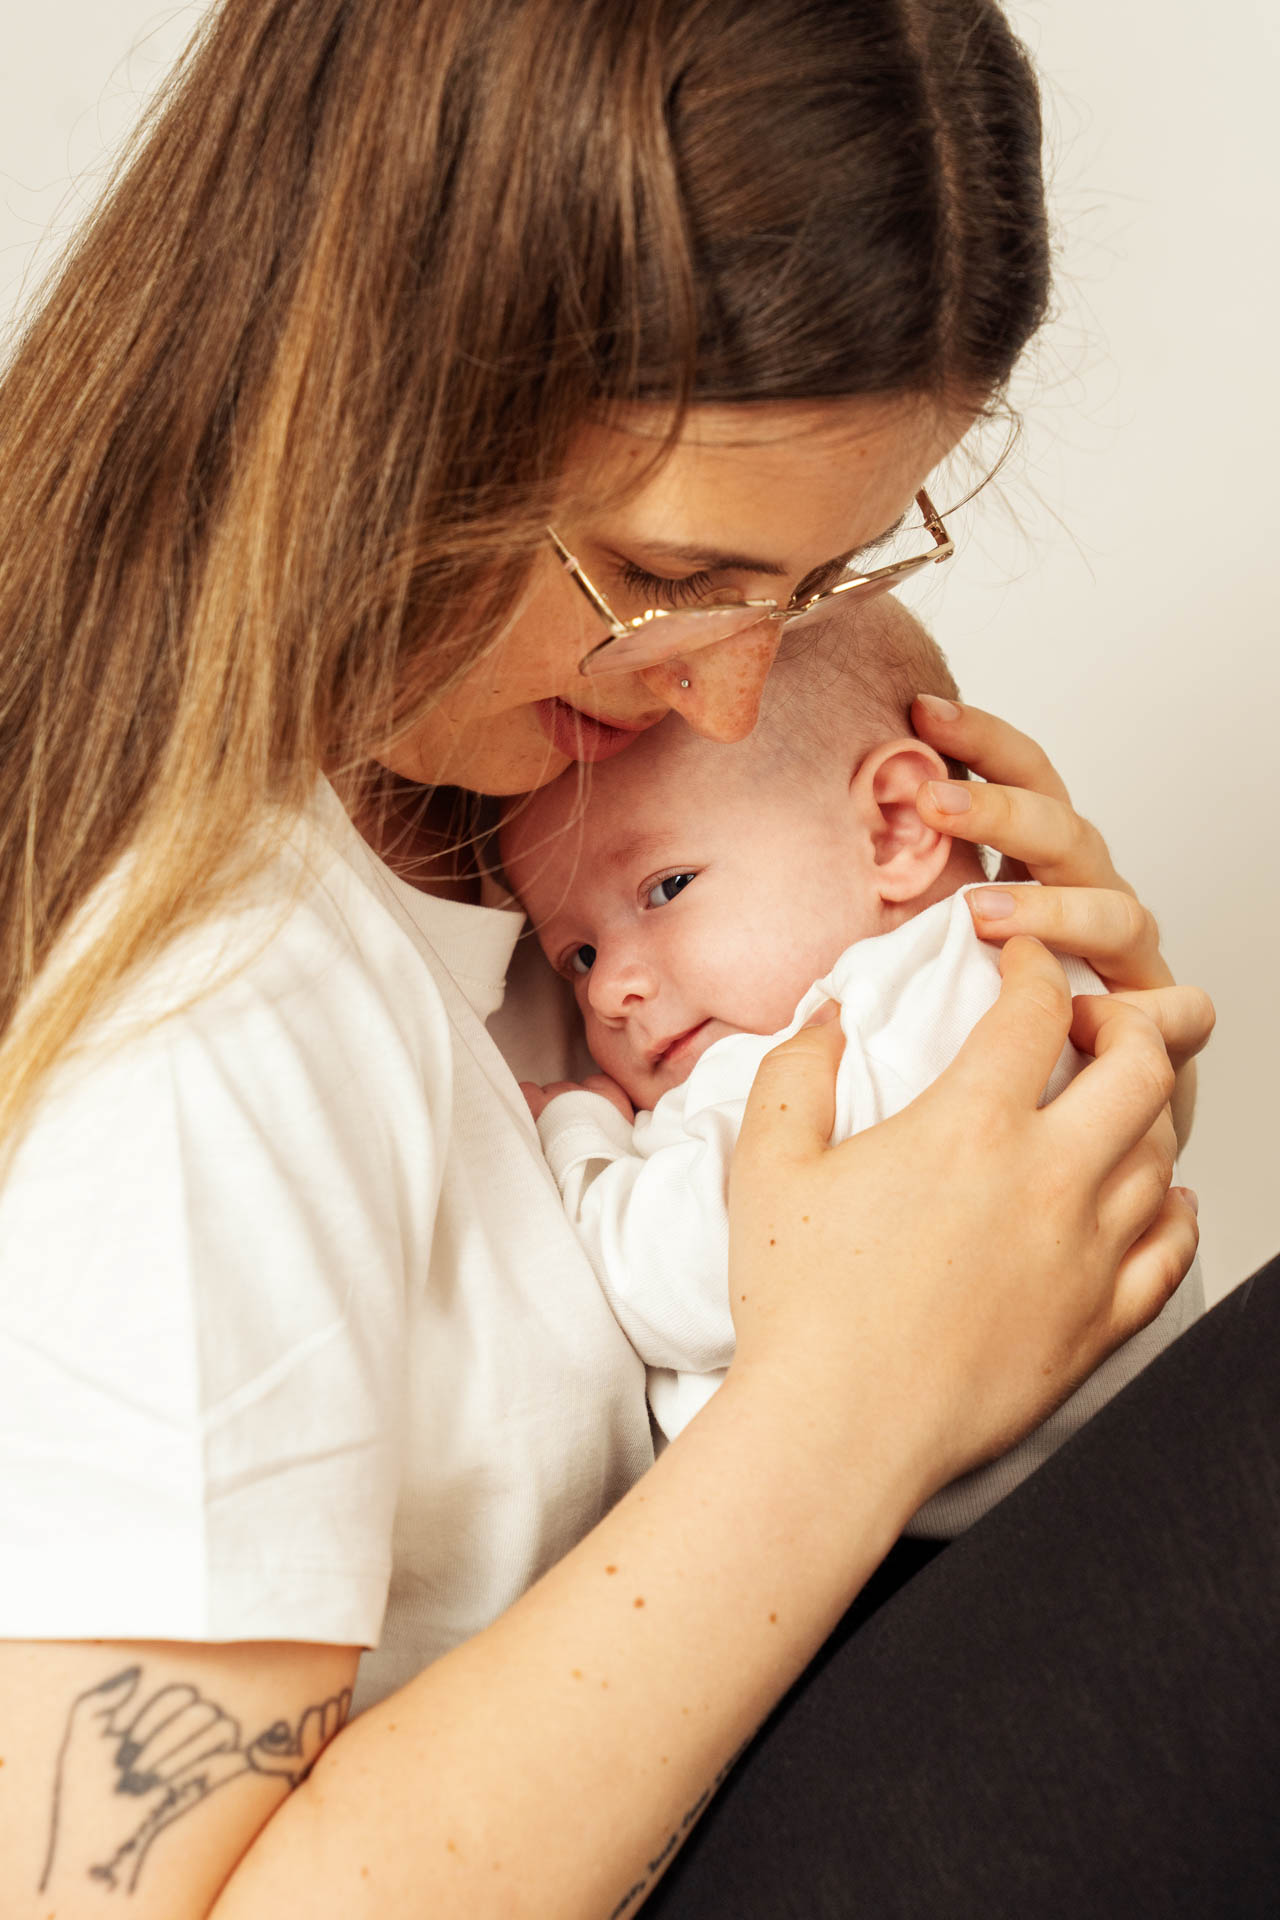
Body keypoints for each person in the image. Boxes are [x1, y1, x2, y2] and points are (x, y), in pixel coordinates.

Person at [0, 2, 1269, 1916]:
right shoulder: (203, 1023)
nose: (729, 687)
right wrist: (866, 1392)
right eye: (666, 579)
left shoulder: (501, 840)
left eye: (817, 581)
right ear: (375, 402)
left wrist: (980, 1056)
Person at [498, 596, 1204, 1533]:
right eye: (577, 955)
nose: (607, 992)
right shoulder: (996, 967)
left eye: (665, 888)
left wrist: (579, 1139)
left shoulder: (853, 1032)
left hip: (986, 1547)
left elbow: (683, 1282)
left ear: (898, 828)